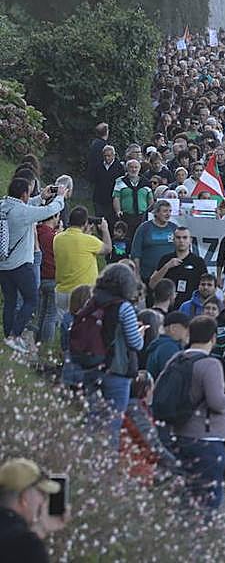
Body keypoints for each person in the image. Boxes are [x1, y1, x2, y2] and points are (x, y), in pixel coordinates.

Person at [170, 315, 225, 510]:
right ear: (213, 338)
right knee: (207, 500)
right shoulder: (210, 364)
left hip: (180, 434)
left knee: (186, 499)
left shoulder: (177, 359)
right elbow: (216, 402)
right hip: (207, 438)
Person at [79, 262, 145, 446]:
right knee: (111, 426)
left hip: (91, 368)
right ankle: (105, 468)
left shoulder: (92, 302)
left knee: (92, 420)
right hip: (116, 371)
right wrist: (140, 334)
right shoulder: (124, 308)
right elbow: (135, 343)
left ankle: (84, 461)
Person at [0, 177, 66, 352]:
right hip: (20, 264)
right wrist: (60, 196)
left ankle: (9, 336)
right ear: (24, 194)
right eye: (29, 192)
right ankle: (15, 335)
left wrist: (40, 198)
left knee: (10, 301)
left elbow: (26, 208)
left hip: (3, 264)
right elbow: (50, 210)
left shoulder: (4, 205)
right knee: (31, 299)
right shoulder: (22, 212)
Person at [0, 458, 67, 561]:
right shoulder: (27, 547)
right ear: (24, 498)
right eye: (41, 493)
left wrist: (40, 529)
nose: (44, 500)